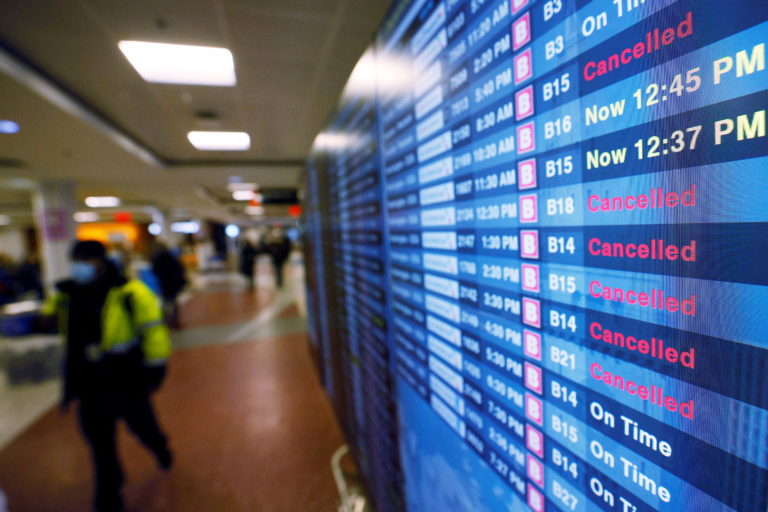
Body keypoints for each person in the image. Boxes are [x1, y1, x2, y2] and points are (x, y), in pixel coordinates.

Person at [42, 240, 172, 512]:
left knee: (143, 427)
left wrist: (156, 368)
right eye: (76, 260)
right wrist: (45, 319)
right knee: (99, 441)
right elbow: (48, 316)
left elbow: (154, 331)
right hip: (90, 382)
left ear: (101, 262)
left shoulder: (131, 292)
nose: (79, 267)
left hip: (125, 377)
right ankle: (109, 490)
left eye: (85, 261)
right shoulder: (68, 293)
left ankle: (160, 448)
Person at [150, 242, 187, 328]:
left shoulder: (156, 258)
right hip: (172, 284)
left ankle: (165, 321)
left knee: (165, 303)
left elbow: (154, 270)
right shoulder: (171, 257)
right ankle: (174, 321)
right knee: (173, 303)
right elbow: (179, 268)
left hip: (163, 284)